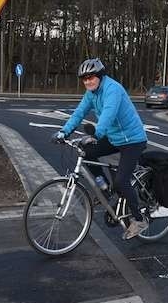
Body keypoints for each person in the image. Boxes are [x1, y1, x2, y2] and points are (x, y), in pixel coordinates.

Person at [51, 58, 149, 240]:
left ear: (100, 76)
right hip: (113, 138)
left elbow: (108, 116)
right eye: (84, 78)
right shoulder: (91, 93)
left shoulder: (113, 90)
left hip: (132, 140)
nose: (88, 81)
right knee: (87, 153)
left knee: (121, 181)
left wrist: (95, 135)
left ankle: (139, 219)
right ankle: (104, 187)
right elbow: (79, 113)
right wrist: (64, 132)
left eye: (91, 77)